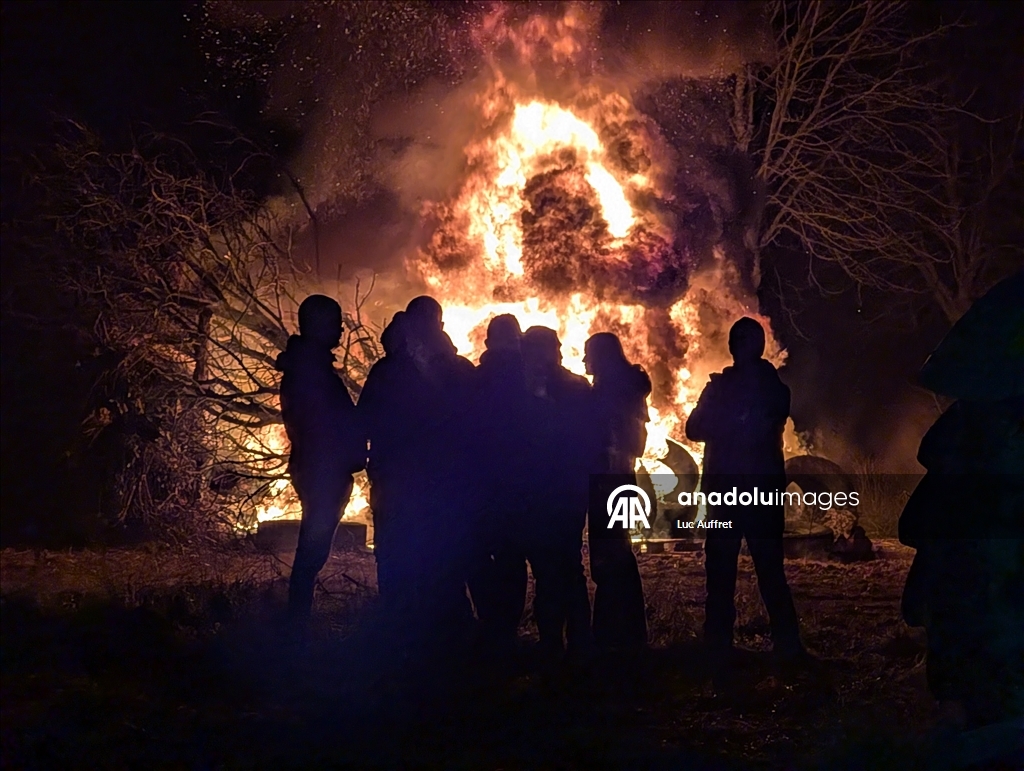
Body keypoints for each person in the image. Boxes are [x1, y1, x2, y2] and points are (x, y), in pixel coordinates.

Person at [685, 317, 804, 665]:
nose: (741, 347)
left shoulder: (756, 389)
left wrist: (724, 421)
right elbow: (694, 429)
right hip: (743, 493)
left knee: (748, 570)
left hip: (742, 493)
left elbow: (708, 427)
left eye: (743, 341)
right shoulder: (761, 388)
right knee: (738, 571)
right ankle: (735, 645)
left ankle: (738, 645)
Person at [275, 294, 367, 629]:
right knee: (311, 553)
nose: (341, 330)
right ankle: (296, 628)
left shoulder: (306, 368)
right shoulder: (311, 374)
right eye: (335, 323)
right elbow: (325, 425)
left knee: (312, 552)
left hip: (317, 468)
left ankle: (296, 623)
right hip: (322, 472)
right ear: (318, 325)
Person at [519, 326, 597, 662]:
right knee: (567, 565)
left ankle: (555, 641)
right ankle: (577, 641)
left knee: (549, 567)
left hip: (546, 490)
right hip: (568, 488)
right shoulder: (577, 386)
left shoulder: (527, 389)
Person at [466, 314, 531, 657]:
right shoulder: (530, 381)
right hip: (518, 482)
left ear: (488, 342)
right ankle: (505, 628)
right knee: (511, 556)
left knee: (477, 552)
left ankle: (491, 621)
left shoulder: (474, 380)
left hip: (480, 481)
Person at [584, 332, 650, 651]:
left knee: (609, 556)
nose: (584, 360)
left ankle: (613, 635)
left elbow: (604, 439)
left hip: (609, 480)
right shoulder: (627, 389)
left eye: (588, 354)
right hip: (622, 478)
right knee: (617, 552)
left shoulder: (608, 394)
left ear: (602, 357)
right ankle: (628, 632)